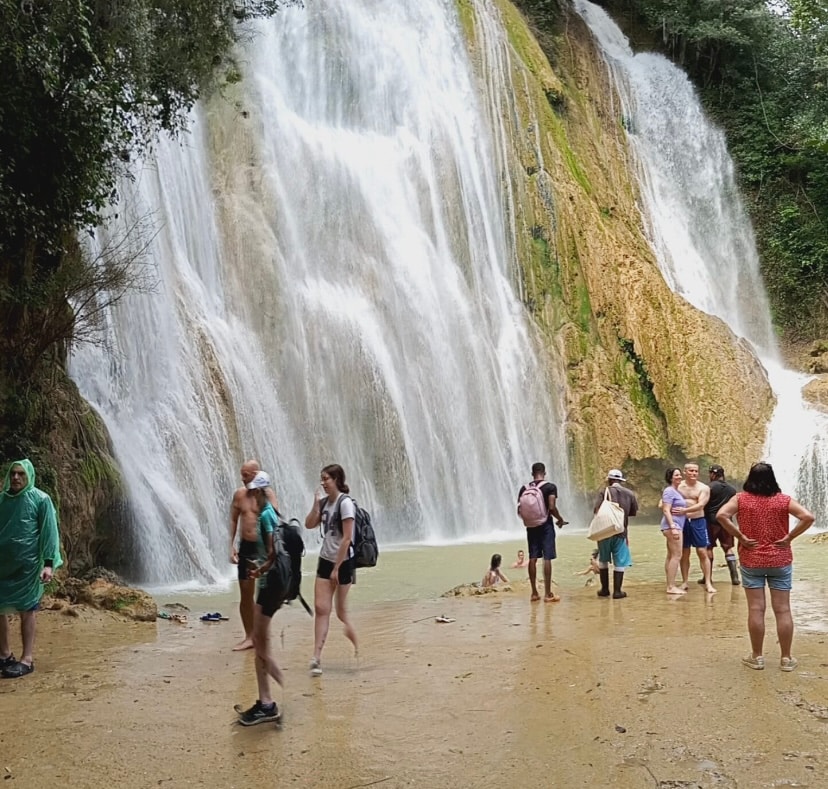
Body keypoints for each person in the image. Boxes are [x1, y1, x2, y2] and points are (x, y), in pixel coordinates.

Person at [717, 462, 814, 671]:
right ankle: (786, 658)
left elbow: (721, 515)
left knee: (756, 609)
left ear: (750, 478)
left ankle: (757, 657)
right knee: (783, 609)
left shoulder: (741, 499)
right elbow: (808, 517)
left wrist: (740, 537)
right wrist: (789, 538)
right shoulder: (783, 500)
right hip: (780, 559)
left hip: (752, 560)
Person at [0, 459, 62, 678]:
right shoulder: (3, 500)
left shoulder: (41, 499)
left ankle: (27, 659)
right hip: (3, 566)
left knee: (27, 610)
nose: (16, 478)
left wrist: (48, 564)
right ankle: (4, 655)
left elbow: (49, 533)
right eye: (13, 474)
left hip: (29, 568)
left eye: (21, 474)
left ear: (29, 476)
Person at [236, 472, 285, 725]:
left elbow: (272, 552)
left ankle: (275, 697)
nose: (251, 494)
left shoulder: (266, 516)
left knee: (260, 643)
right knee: (260, 643)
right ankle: (266, 700)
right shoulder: (273, 513)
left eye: (254, 491)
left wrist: (259, 570)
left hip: (268, 585)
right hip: (273, 585)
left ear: (259, 493)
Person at [304, 463, 359, 677]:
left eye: (326, 478)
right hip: (325, 558)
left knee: (340, 611)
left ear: (336, 479)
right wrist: (316, 506)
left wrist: (337, 568)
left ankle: (352, 635)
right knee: (320, 608)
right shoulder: (325, 503)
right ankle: (316, 657)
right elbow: (309, 524)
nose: (323, 482)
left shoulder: (345, 505)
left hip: (343, 562)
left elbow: (347, 538)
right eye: (322, 478)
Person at [229, 459, 279, 651]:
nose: (242, 479)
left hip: (264, 549)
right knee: (245, 592)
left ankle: (262, 633)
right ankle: (250, 636)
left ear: (256, 473)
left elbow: (274, 519)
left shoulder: (267, 494)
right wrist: (231, 545)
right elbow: (234, 520)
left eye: (246, 475)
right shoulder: (239, 495)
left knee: (265, 593)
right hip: (247, 548)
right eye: (241, 474)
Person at [516, 462, 568, 603]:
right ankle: (547, 594)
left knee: (532, 558)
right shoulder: (550, 487)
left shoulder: (524, 488)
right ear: (544, 473)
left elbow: (519, 511)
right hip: (545, 525)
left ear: (532, 473)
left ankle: (534, 593)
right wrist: (560, 519)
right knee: (547, 558)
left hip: (531, 526)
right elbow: (551, 507)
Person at [592, 469, 638, 599]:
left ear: (609, 480)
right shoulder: (630, 494)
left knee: (603, 560)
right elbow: (632, 513)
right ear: (621, 480)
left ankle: (605, 589)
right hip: (621, 532)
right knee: (620, 561)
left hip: (605, 531)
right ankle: (617, 591)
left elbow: (596, 510)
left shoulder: (603, 491)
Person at [677, 462, 715, 593]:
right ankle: (684, 582)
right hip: (682, 521)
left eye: (696, 471)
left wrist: (684, 510)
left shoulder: (703, 488)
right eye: (691, 471)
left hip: (698, 520)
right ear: (684, 472)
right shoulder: (678, 486)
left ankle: (708, 582)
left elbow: (701, 505)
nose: (693, 473)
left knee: (702, 551)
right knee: (684, 552)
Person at [702, 464, 740, 586]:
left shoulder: (709, 487)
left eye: (710, 473)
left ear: (713, 474)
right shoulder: (732, 489)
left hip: (710, 521)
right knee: (728, 548)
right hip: (727, 522)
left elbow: (703, 504)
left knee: (708, 548)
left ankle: (707, 577)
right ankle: (734, 577)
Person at [660, 467, 687, 595]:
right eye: (676, 475)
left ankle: (670, 584)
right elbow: (665, 509)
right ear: (670, 478)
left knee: (671, 555)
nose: (680, 477)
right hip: (673, 526)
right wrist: (673, 526)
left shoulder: (675, 491)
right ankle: (671, 586)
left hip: (674, 526)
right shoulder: (669, 491)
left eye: (680, 474)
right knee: (677, 555)